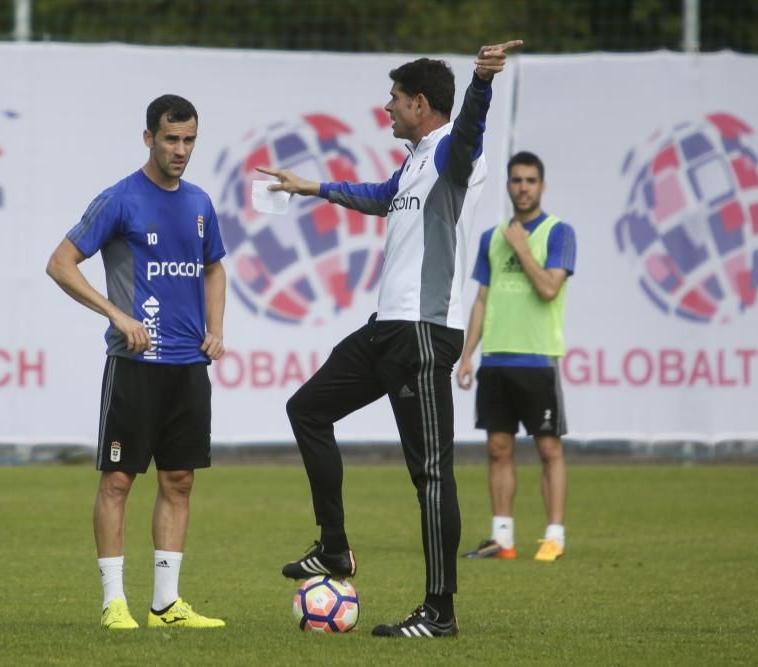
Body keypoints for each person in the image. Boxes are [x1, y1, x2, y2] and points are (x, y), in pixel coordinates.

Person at [257, 40, 522, 639]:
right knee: (307, 409)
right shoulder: (415, 161)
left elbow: (473, 126)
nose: (387, 108)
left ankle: (440, 611)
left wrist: (481, 82)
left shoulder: (454, 152)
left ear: (421, 104)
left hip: (425, 334)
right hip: (388, 329)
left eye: (395, 99)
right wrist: (311, 188)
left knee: (430, 475)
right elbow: (381, 198)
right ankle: (334, 549)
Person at [45, 94, 227, 630]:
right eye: (171, 139)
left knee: (180, 481)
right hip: (134, 365)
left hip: (187, 367)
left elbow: (214, 268)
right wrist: (117, 314)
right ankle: (113, 602)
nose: (181, 150)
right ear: (148, 138)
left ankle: (166, 604)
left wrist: (216, 329)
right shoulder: (120, 199)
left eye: (189, 139)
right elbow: (61, 263)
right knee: (118, 480)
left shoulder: (199, 203)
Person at [456, 150, 576, 563]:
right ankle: (502, 539)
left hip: (537, 359)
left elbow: (548, 289)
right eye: (516, 181)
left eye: (530, 181)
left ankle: (553, 536)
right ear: (507, 186)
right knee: (497, 449)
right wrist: (467, 355)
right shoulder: (492, 238)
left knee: (548, 450)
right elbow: (481, 300)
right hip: (496, 361)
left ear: (541, 186)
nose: (522, 188)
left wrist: (522, 248)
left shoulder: (558, 233)